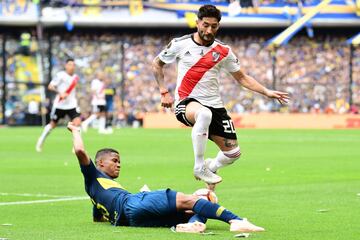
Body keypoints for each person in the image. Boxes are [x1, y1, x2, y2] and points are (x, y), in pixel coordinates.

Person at [152, 5, 289, 185]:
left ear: (219, 26)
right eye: (205, 25)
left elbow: (242, 78)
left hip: (215, 105)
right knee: (203, 114)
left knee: (233, 154)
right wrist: (164, 92)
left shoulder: (224, 51)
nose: (209, 30)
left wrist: (266, 91)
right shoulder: (180, 44)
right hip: (186, 103)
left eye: (214, 26)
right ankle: (199, 165)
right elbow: (157, 64)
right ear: (197, 23)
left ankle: (212, 166)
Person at [67, 121, 265, 233]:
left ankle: (194, 225)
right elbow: (80, 151)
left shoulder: (97, 189)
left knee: (197, 204)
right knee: (192, 199)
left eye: (119, 161)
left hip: (132, 219)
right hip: (133, 204)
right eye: (114, 160)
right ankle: (236, 221)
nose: (118, 164)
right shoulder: (93, 174)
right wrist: (76, 131)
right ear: (100, 163)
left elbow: (98, 215)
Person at [36, 58, 81, 152]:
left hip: (72, 104)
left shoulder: (76, 77)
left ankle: (76, 146)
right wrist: (60, 93)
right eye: (70, 65)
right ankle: (41, 140)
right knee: (52, 124)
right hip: (60, 105)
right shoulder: (60, 75)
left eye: (73, 65)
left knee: (77, 123)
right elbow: (50, 86)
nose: (71, 67)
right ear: (66, 66)